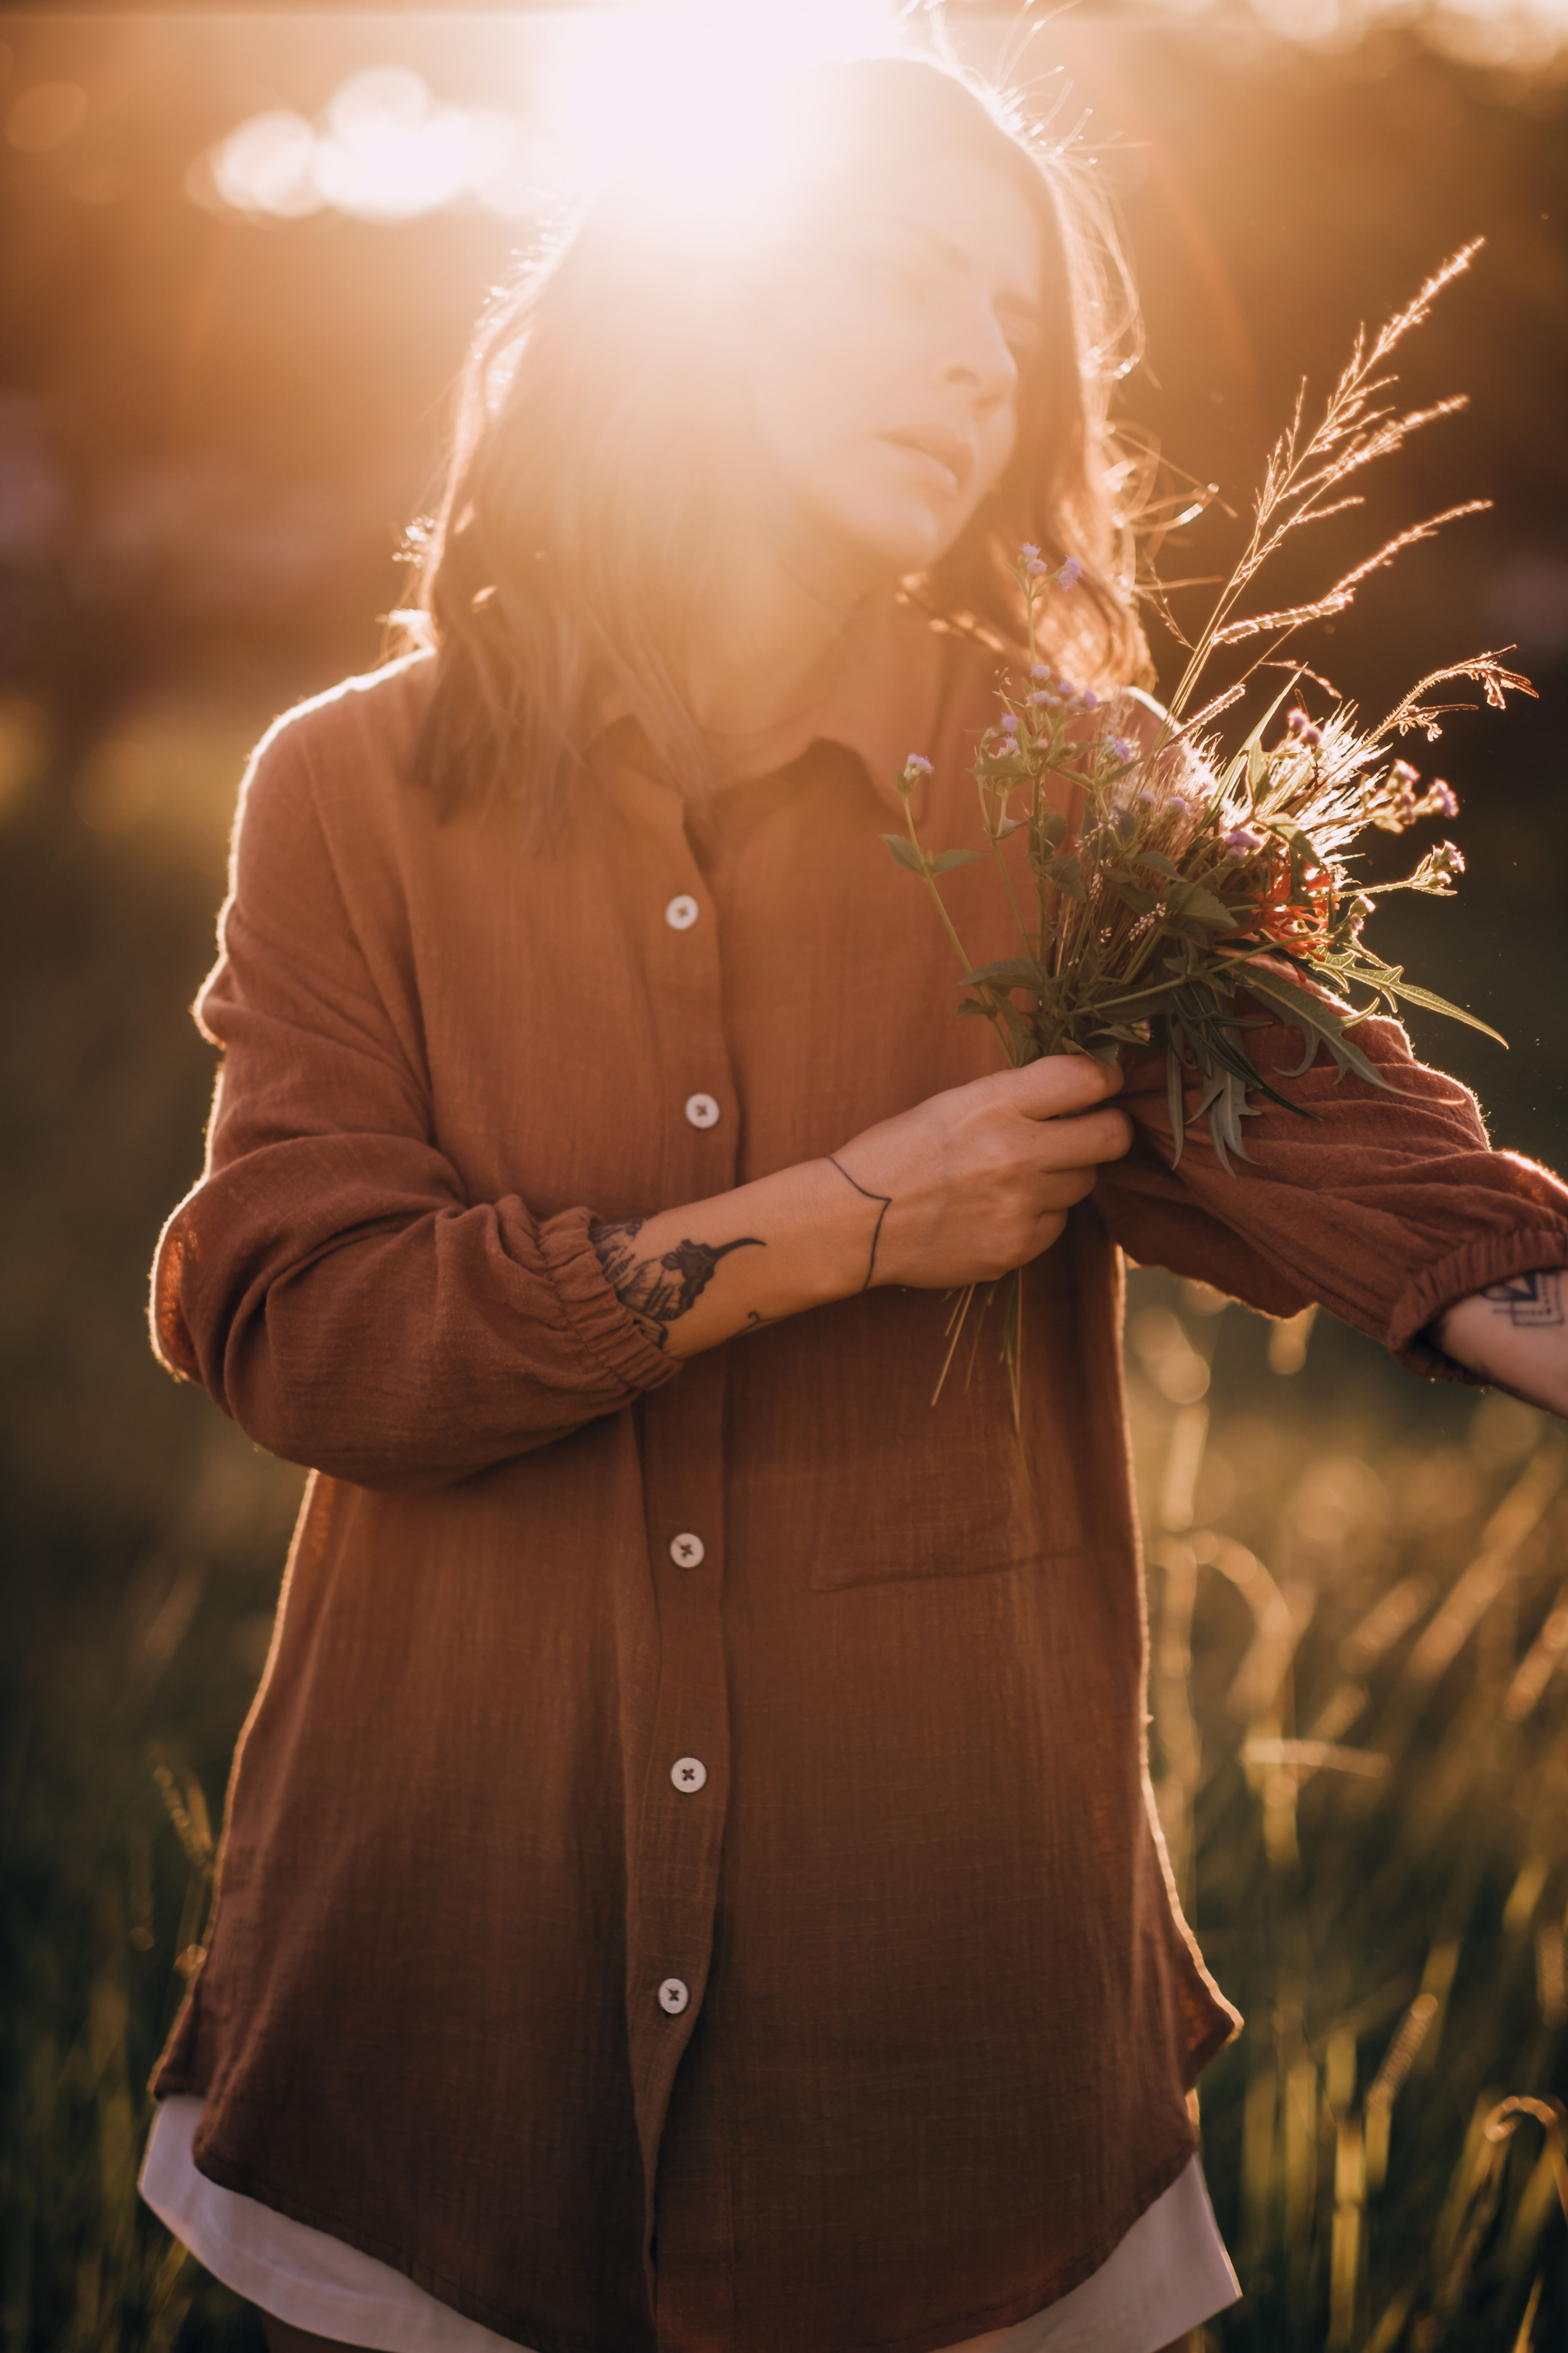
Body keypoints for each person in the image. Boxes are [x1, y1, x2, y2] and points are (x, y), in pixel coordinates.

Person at [136, 51, 1568, 2353]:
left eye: (1008, 320)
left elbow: (1351, 1147)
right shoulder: (351, 789)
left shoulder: (1080, 791)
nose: (974, 360)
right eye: (899, 277)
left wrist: (1531, 1299)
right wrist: (849, 1219)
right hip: (438, 2023)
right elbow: (307, 1328)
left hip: (942, 2063)